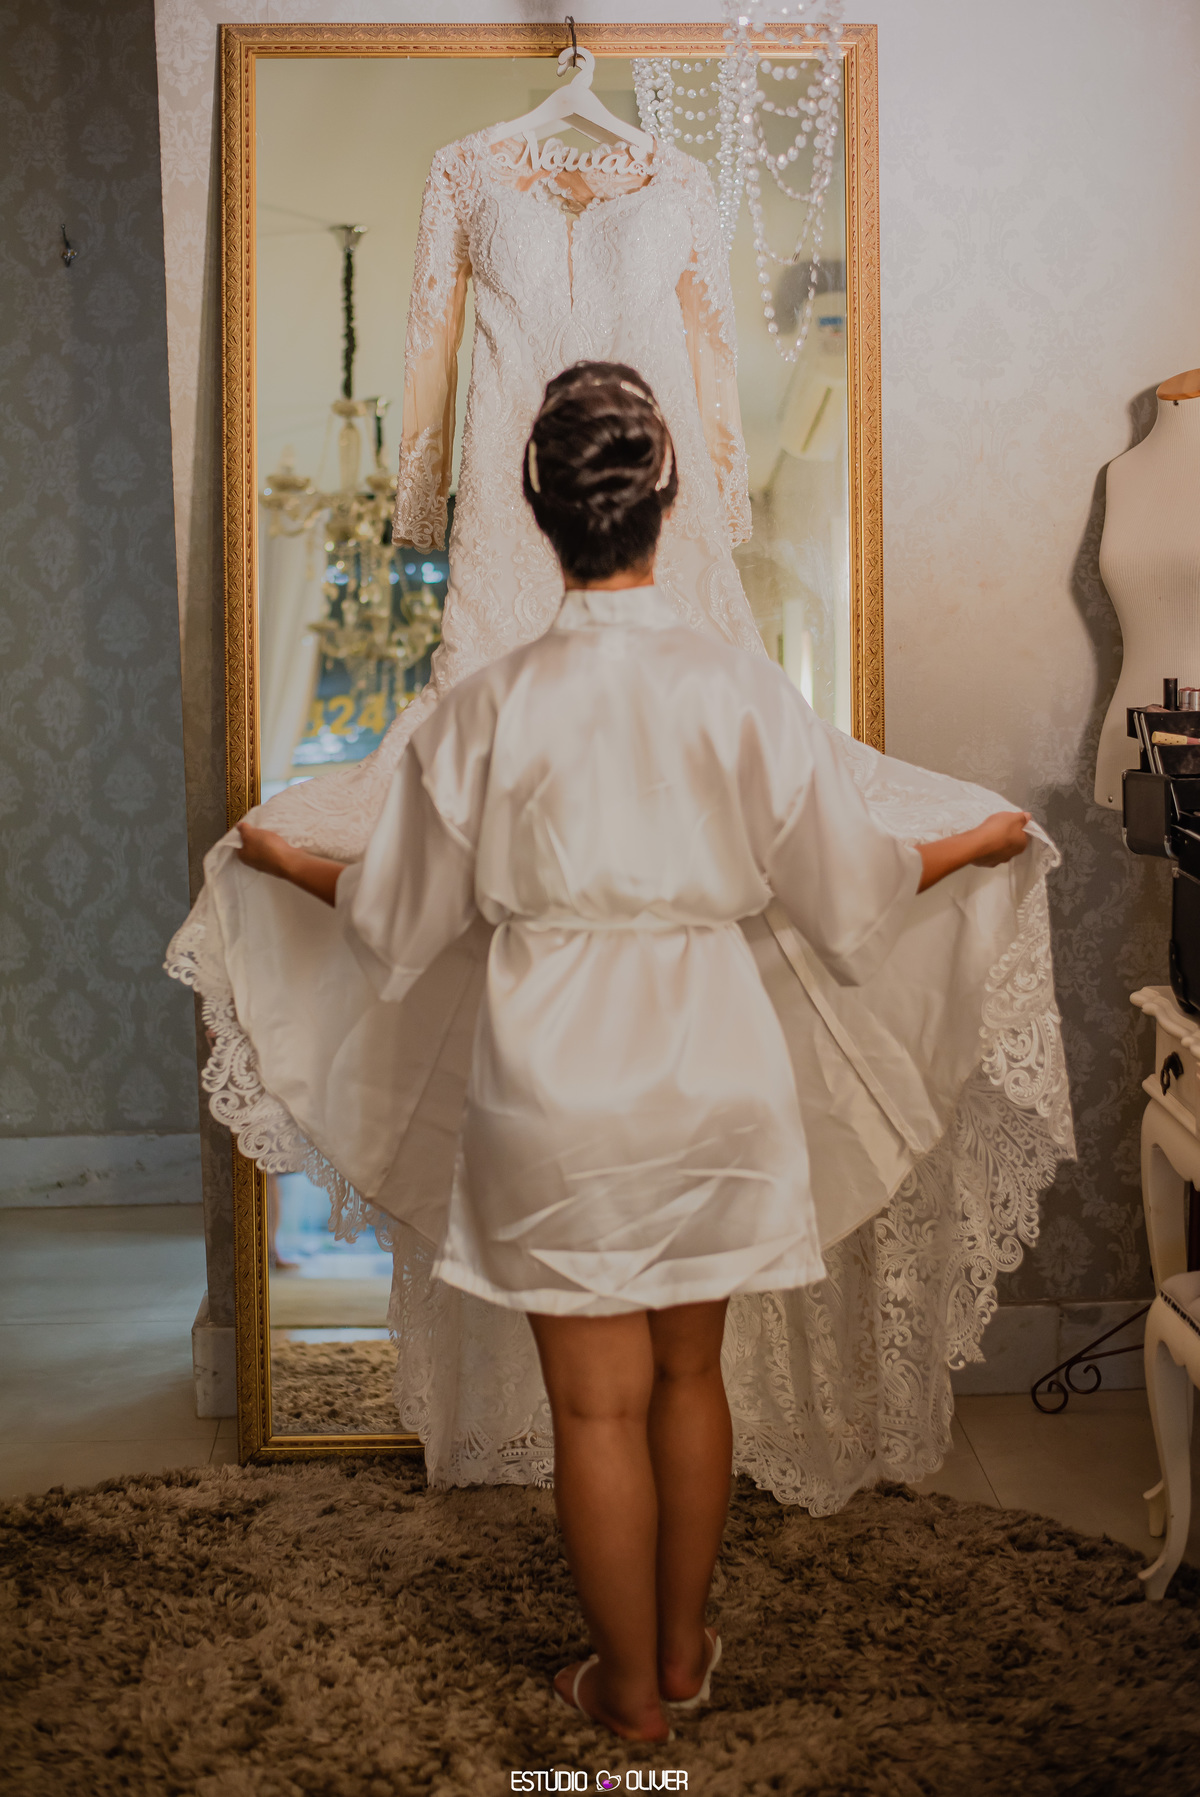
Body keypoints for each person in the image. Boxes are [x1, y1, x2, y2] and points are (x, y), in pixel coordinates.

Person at [235, 364, 1031, 1744]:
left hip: (555, 1084)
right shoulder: (742, 691)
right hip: (713, 1067)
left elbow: (396, 923)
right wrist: (976, 840)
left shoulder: (482, 710)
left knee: (594, 1412)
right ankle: (677, 1648)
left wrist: (286, 860)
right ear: (668, 495)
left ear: (535, 504)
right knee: (688, 1377)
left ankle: (626, 1703)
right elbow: (849, 895)